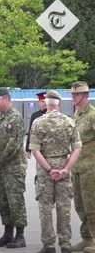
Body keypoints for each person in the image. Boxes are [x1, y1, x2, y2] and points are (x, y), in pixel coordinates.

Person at [30, 90, 82, 253]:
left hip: (45, 171)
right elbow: (77, 148)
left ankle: (49, 245)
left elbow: (35, 150)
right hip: (64, 168)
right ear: (59, 104)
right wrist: (65, 169)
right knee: (64, 207)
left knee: (45, 208)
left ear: (46, 104)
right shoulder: (70, 122)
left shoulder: (38, 122)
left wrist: (50, 169)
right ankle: (65, 244)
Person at [0, 88, 28, 248]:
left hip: (13, 168)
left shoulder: (15, 117)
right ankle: (8, 234)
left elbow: (14, 144)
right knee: (2, 200)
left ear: (7, 99)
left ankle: (20, 235)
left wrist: (0, 161)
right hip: (0, 168)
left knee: (15, 200)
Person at [70, 81, 95, 253]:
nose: (73, 97)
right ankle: (87, 239)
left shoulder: (93, 115)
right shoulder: (77, 115)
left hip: (91, 169)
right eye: (72, 95)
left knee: (92, 205)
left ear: (85, 96)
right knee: (80, 205)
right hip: (77, 168)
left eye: (76, 95)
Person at [26, 92, 47, 159]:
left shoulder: (51, 114)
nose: (44, 103)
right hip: (38, 147)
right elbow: (30, 132)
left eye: (45, 101)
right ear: (39, 103)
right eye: (42, 101)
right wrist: (28, 149)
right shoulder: (35, 115)